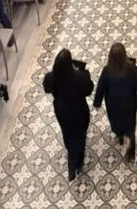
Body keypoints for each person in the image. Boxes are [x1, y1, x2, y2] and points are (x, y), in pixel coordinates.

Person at [43, 49, 94, 182]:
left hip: (62, 110)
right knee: (80, 133)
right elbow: (89, 89)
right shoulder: (79, 77)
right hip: (79, 109)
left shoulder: (50, 77)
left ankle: (72, 157)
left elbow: (46, 88)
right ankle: (78, 160)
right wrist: (84, 72)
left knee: (67, 132)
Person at [93, 43, 137, 162]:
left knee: (116, 121)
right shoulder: (131, 68)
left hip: (113, 104)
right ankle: (130, 153)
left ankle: (120, 136)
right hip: (129, 103)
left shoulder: (107, 70)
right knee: (130, 126)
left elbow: (101, 88)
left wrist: (97, 103)